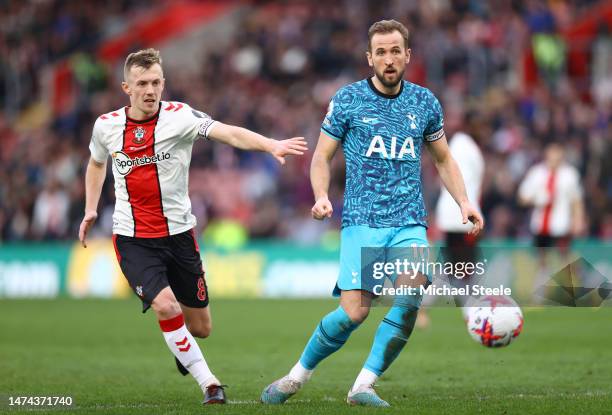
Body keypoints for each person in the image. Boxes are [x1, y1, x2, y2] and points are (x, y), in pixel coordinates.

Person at [261, 20, 483, 407]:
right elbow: (322, 157)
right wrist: (320, 195)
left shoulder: (425, 102)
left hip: (408, 222)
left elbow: (444, 158)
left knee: (412, 295)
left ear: (407, 55)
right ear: (370, 58)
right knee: (353, 314)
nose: (388, 58)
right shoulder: (347, 100)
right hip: (361, 221)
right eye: (380, 52)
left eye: (395, 50)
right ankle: (296, 377)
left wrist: (464, 200)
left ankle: (363, 384)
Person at [78, 48, 307, 405]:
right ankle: (210, 384)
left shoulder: (180, 116)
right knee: (167, 308)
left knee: (200, 328)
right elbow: (95, 163)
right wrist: (91, 209)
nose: (150, 90)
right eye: (142, 84)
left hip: (180, 235)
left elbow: (227, 133)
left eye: (156, 82)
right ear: (126, 87)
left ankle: (181, 344)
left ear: (163, 83)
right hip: (133, 238)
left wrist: (270, 145)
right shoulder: (106, 126)